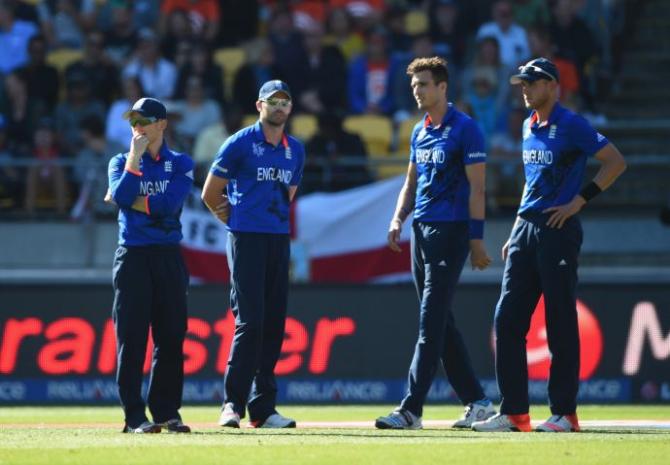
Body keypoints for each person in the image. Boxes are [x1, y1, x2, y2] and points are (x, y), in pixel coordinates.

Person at [471, 58, 626, 433]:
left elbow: (615, 162)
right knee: (506, 320)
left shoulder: (571, 124)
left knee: (559, 321)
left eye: (531, 82)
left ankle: (564, 413)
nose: (524, 88)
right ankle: (514, 414)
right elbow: (533, 182)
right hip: (526, 227)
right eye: (522, 83)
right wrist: (515, 228)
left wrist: (579, 201)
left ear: (553, 85)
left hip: (558, 228)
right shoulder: (527, 125)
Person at [375, 56, 495, 430]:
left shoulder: (466, 130)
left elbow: (478, 188)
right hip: (422, 232)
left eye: (424, 85)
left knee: (430, 323)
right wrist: (398, 218)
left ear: (443, 87)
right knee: (441, 322)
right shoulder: (419, 131)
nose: (418, 91)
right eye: (414, 86)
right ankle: (477, 402)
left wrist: (477, 240)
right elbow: (411, 183)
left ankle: (411, 409)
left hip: (452, 230)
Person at [201, 80, 305, 429]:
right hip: (246, 240)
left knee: (274, 325)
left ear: (290, 108)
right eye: (272, 101)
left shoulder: (296, 150)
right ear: (259, 105)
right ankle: (232, 404)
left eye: (284, 102)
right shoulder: (240, 143)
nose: (279, 107)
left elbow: (286, 194)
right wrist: (239, 222)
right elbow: (210, 193)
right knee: (250, 322)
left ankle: (263, 409)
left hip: (278, 240)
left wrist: (266, 222)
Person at [105, 97, 194, 434]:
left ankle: (166, 411)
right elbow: (122, 194)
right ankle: (133, 417)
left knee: (171, 336)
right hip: (133, 256)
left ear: (162, 125)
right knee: (131, 337)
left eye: (144, 121)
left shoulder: (181, 163)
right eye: (134, 122)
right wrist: (134, 158)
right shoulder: (120, 161)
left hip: (168, 256)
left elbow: (168, 205)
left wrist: (132, 201)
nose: (137, 127)